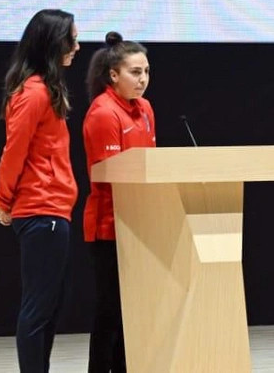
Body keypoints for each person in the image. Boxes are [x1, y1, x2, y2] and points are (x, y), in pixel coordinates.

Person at [0, 9, 80, 373]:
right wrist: (3, 199)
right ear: (53, 43)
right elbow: (14, 151)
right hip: (41, 211)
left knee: (48, 308)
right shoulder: (33, 93)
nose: (76, 46)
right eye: (71, 39)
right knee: (38, 308)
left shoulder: (45, 90)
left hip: (53, 211)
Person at [83, 32, 156, 373]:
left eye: (146, 72)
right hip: (109, 225)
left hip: (140, 223)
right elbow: (109, 172)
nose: (143, 79)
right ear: (113, 75)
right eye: (135, 72)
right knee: (110, 310)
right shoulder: (103, 112)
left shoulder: (145, 109)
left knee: (134, 311)